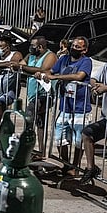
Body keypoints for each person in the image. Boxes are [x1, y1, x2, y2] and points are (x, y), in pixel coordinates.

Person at [39, 36, 91, 175]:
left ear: (84, 50)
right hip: (64, 106)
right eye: (73, 45)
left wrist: (57, 78)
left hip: (80, 108)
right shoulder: (63, 59)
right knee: (60, 138)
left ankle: (75, 167)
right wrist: (44, 74)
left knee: (79, 140)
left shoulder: (86, 61)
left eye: (78, 47)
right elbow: (52, 71)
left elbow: (79, 76)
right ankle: (66, 164)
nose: (74, 48)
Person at [10, 36, 58, 159]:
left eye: (33, 45)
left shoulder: (50, 56)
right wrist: (18, 66)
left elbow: (43, 70)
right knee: (39, 121)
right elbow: (20, 64)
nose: (30, 48)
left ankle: (30, 145)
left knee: (30, 115)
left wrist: (22, 68)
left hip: (44, 93)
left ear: (40, 47)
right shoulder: (31, 56)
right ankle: (38, 151)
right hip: (32, 93)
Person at [80, 62, 107, 184]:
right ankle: (91, 168)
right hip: (106, 118)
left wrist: (106, 87)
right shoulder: (106, 66)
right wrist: (95, 86)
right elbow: (93, 78)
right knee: (87, 133)